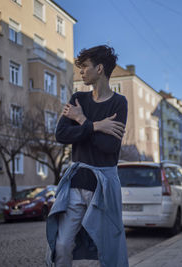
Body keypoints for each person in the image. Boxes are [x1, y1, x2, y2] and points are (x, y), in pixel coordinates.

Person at [45, 45, 129, 267]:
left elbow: (110, 146)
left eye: (84, 67)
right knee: (62, 245)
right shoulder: (77, 98)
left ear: (99, 68)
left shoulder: (119, 103)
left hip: (104, 187)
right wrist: (97, 126)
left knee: (107, 249)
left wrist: (82, 121)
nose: (80, 72)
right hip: (77, 183)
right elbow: (62, 134)